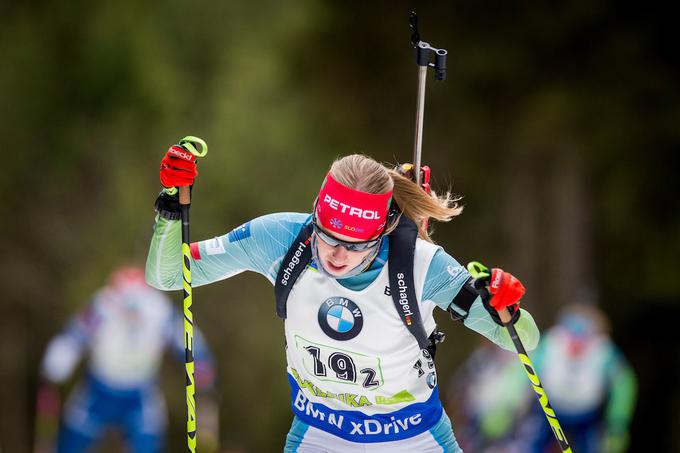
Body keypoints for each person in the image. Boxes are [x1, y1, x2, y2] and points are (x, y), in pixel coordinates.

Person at [147, 148, 541, 452]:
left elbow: (518, 340)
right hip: (321, 434)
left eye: (355, 246)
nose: (336, 255)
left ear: (384, 230)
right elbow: (167, 275)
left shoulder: (421, 265)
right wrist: (169, 203)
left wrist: (507, 309)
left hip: (413, 437)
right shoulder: (279, 239)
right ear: (316, 214)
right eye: (328, 236)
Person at [35, 266, 218, 453]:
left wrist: (202, 367)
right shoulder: (103, 305)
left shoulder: (158, 309)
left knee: (147, 443)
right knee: (72, 442)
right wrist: (56, 365)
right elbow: (74, 336)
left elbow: (186, 338)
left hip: (140, 394)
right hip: (98, 389)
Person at [518, 303, 637, 453]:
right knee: (531, 446)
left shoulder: (604, 351)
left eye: (583, 337)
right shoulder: (551, 341)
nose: (576, 343)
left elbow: (623, 384)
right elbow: (522, 372)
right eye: (571, 335)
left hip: (586, 417)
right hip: (548, 411)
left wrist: (617, 422)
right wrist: (509, 405)